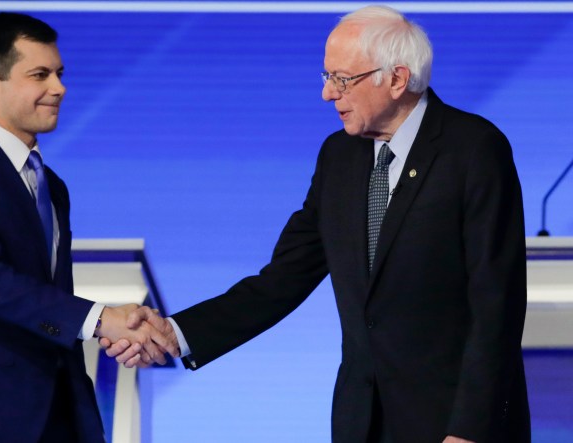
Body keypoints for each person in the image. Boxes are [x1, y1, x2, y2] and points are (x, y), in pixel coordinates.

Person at [105, 5, 530, 443]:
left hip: (451, 424)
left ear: (398, 79)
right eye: (327, 77)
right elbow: (282, 279)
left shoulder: (473, 149)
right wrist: (176, 333)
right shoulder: (339, 157)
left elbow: (496, 304)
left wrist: (470, 431)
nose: (329, 94)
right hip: (362, 423)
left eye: (342, 79)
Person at [0, 12, 177, 443]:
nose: (60, 88)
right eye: (40, 75)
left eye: (60, 73)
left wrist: (105, 329)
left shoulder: (53, 187)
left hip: (58, 412)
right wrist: (102, 319)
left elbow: (50, 297)